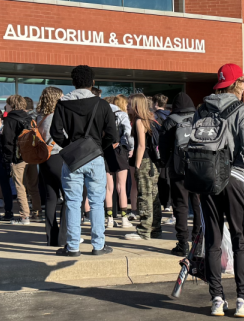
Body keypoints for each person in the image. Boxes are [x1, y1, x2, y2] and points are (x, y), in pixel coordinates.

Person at [195, 63, 244, 317]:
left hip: (206, 179)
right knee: (240, 238)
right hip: (234, 176)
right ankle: (243, 299)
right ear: (237, 83)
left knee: (213, 240)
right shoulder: (243, 111)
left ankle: (217, 299)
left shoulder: (202, 109)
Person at [50, 65, 117, 257]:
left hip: (72, 160)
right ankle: (98, 245)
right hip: (95, 157)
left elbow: (56, 133)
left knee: (72, 202)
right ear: (92, 82)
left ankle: (72, 247)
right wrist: (97, 148)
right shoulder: (102, 105)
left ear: (73, 82)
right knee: (97, 202)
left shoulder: (62, 104)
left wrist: (70, 147)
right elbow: (112, 134)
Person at [160, 92, 199, 255]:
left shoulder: (170, 121)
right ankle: (198, 241)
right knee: (198, 205)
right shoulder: (198, 118)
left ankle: (183, 243)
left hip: (178, 170)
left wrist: (166, 163)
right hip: (198, 169)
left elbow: (163, 147)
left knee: (180, 206)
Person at [125, 93, 162, 241]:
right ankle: (155, 229)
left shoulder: (140, 121)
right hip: (153, 163)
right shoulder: (152, 119)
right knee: (153, 196)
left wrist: (137, 164)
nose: (127, 107)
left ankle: (144, 231)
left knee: (144, 196)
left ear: (136, 105)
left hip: (145, 162)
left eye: (129, 104)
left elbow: (141, 145)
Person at [33, 88, 66, 247]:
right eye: (61, 95)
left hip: (44, 159)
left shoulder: (39, 116)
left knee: (51, 198)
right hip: (58, 157)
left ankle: (52, 238)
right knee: (69, 197)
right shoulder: (57, 116)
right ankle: (64, 237)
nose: (63, 97)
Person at [1, 95, 38, 225]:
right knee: (33, 185)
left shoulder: (10, 119)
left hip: (18, 156)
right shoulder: (29, 117)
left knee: (20, 186)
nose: (6, 107)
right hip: (31, 156)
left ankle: (24, 216)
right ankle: (36, 212)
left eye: (7, 104)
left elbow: (8, 141)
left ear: (12, 105)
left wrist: (8, 158)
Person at [106, 94, 133, 228]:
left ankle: (109, 219)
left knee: (108, 187)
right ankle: (124, 218)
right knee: (121, 186)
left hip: (105, 151)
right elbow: (128, 133)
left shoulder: (103, 114)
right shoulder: (122, 115)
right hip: (120, 150)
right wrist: (130, 147)